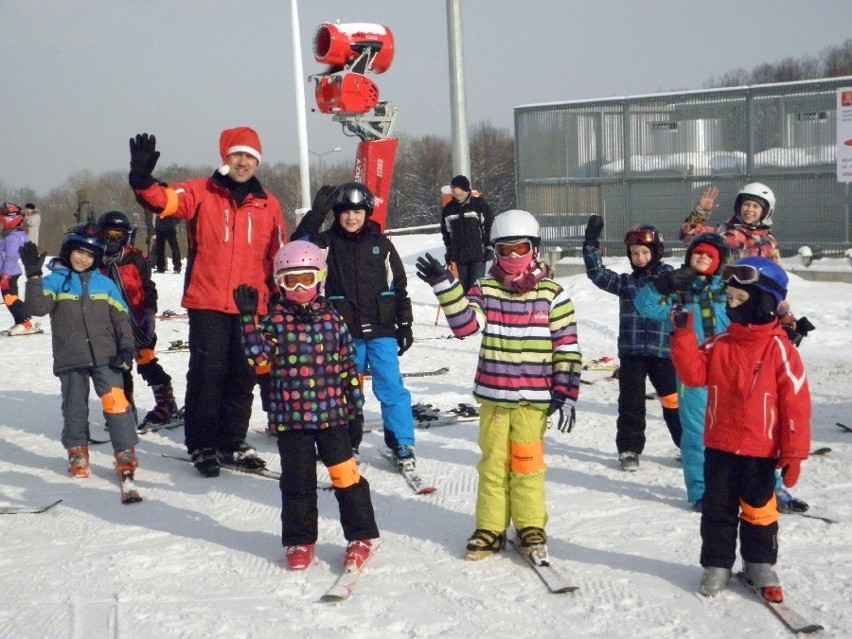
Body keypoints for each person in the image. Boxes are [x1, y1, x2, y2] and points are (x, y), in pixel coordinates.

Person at [415, 209, 582, 561]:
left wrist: (566, 391)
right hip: (494, 397)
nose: (512, 257)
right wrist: (445, 286)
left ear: (534, 249)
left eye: (519, 248)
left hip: (533, 401)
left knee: (526, 465)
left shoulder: (553, 294)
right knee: (492, 465)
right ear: (494, 252)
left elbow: (566, 345)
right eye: (504, 250)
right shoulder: (485, 289)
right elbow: (465, 326)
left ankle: (529, 526)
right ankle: (490, 528)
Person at [128, 128, 285, 477]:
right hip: (208, 300)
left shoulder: (269, 203)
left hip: (250, 307)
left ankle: (231, 441)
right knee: (207, 376)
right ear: (225, 158)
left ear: (257, 161)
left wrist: (276, 299)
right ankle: (201, 443)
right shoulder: (201, 191)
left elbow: (277, 255)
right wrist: (141, 179)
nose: (243, 162)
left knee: (243, 377)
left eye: (249, 157)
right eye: (236, 155)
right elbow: (163, 200)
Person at [669, 257, 811, 602]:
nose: (731, 306)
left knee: (759, 509)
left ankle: (758, 562)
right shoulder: (721, 344)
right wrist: (684, 335)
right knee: (717, 510)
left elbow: (796, 405)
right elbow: (693, 376)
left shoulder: (781, 350)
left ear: (764, 302)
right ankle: (717, 564)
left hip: (761, 450)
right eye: (729, 299)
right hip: (719, 446)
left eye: (739, 300)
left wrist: (794, 453)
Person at [232, 240, 379, 571]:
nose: (299, 287)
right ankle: (300, 540)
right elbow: (258, 359)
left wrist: (355, 410)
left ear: (320, 280)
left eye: (306, 279)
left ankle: (361, 535)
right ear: (279, 283)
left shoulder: (333, 320)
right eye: (291, 280)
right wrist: (247, 321)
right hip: (291, 419)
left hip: (333, 416)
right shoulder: (274, 322)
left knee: (346, 476)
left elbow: (348, 368)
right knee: (297, 482)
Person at [681, 183, 812, 511]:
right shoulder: (724, 233)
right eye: (746, 205)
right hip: (722, 321)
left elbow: (775, 286)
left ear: (766, 212)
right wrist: (701, 212)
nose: (750, 211)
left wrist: (786, 317)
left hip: (753, 329)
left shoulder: (768, 243)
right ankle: (703, 490)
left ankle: (772, 487)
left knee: (760, 418)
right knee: (704, 417)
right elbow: (691, 239)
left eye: (757, 207)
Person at [292, 183, 416, 468]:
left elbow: (399, 286)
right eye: (345, 212)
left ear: (367, 213)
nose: (352, 218)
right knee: (346, 389)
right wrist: (317, 213)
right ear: (337, 214)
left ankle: (402, 444)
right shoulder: (326, 243)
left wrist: (405, 323)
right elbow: (297, 248)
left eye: (358, 212)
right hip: (343, 332)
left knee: (391, 387)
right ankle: (348, 442)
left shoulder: (382, 245)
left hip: (382, 329)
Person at [19, 225, 139, 480]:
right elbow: (37, 308)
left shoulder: (104, 284)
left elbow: (121, 320)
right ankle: (77, 451)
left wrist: (127, 348)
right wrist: (33, 277)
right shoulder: (55, 281)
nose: (82, 259)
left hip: (107, 356)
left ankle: (125, 451)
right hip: (71, 356)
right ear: (68, 251)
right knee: (74, 406)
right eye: (78, 252)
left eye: (89, 254)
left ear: (96, 258)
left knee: (117, 404)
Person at [635, 233, 730, 511]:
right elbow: (645, 305)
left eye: (709, 255)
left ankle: (769, 487)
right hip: (692, 371)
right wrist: (661, 285)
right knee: (696, 431)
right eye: (697, 253)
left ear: (718, 262)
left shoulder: (728, 290)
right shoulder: (678, 292)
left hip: (730, 370)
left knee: (746, 429)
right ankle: (701, 491)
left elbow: (754, 315)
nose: (701, 257)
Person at [582, 216, 682, 471]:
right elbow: (597, 274)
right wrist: (591, 243)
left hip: (663, 353)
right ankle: (629, 449)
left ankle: (687, 445)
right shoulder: (626, 284)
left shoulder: (668, 281)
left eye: (645, 252)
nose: (639, 257)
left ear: (657, 252)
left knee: (674, 401)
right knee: (631, 403)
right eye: (634, 253)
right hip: (632, 353)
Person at [97, 210, 179, 430]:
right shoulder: (95, 260)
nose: (113, 240)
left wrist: (151, 311)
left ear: (126, 236)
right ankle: (124, 409)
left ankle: (166, 403)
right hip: (109, 324)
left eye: (118, 235)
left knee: (146, 361)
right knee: (118, 367)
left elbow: (148, 287)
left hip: (138, 320)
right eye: (109, 235)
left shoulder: (135, 258)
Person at [440, 175, 495, 293]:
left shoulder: (478, 204)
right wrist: (449, 249)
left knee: (476, 288)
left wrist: (489, 247)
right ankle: (467, 311)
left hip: (478, 255)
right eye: (451, 186)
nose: (452, 189)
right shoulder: (449, 209)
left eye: (455, 186)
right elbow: (446, 231)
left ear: (464, 188)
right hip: (460, 256)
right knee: (465, 290)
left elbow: (489, 225)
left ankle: (478, 309)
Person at [0, 205, 38, 335]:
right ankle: (19, 321)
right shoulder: (18, 234)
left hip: (8, 273)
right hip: (11, 272)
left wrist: (5, 275)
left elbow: (11, 256)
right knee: (11, 297)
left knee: (10, 299)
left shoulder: (12, 238)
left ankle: (26, 321)